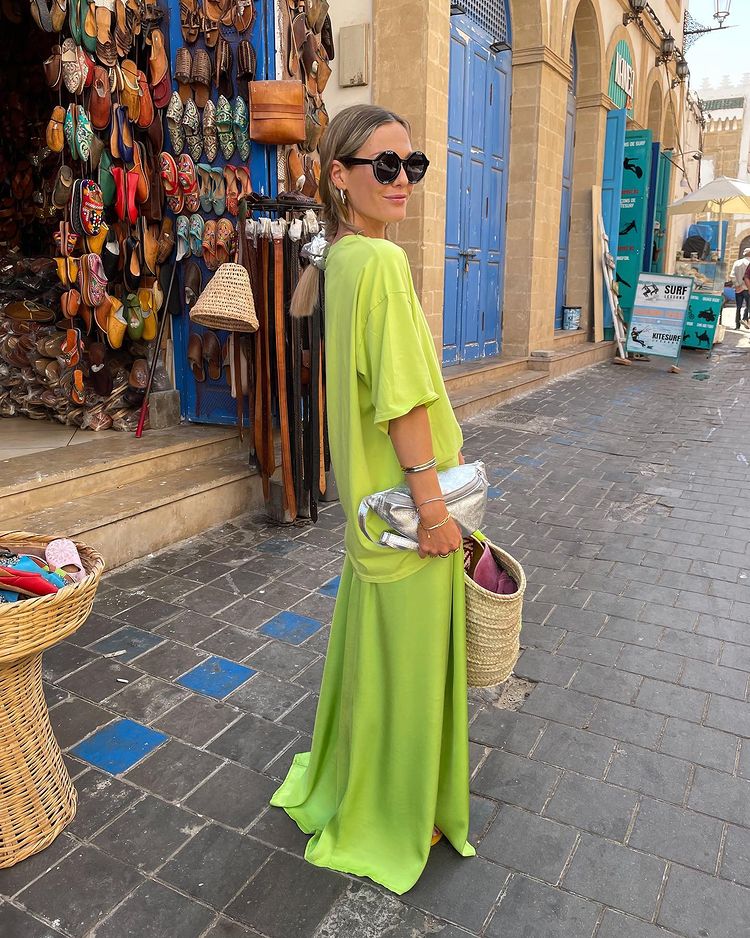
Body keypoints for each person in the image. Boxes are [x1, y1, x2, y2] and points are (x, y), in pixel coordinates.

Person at [269, 105, 475, 894]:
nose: (401, 180)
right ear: (339, 177)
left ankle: (364, 787)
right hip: (403, 514)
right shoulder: (380, 265)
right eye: (382, 166)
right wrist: (434, 514)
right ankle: (397, 811)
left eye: (411, 165)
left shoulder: (344, 259)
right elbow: (401, 403)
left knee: (375, 667)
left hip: (366, 515)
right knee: (411, 674)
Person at [730, 248, 750, 329]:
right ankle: (745, 319)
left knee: (738, 307)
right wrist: (744, 286)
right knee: (748, 306)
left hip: (738, 289)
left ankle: (737, 325)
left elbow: (732, 275)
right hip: (748, 288)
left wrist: (737, 285)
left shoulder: (737, 262)